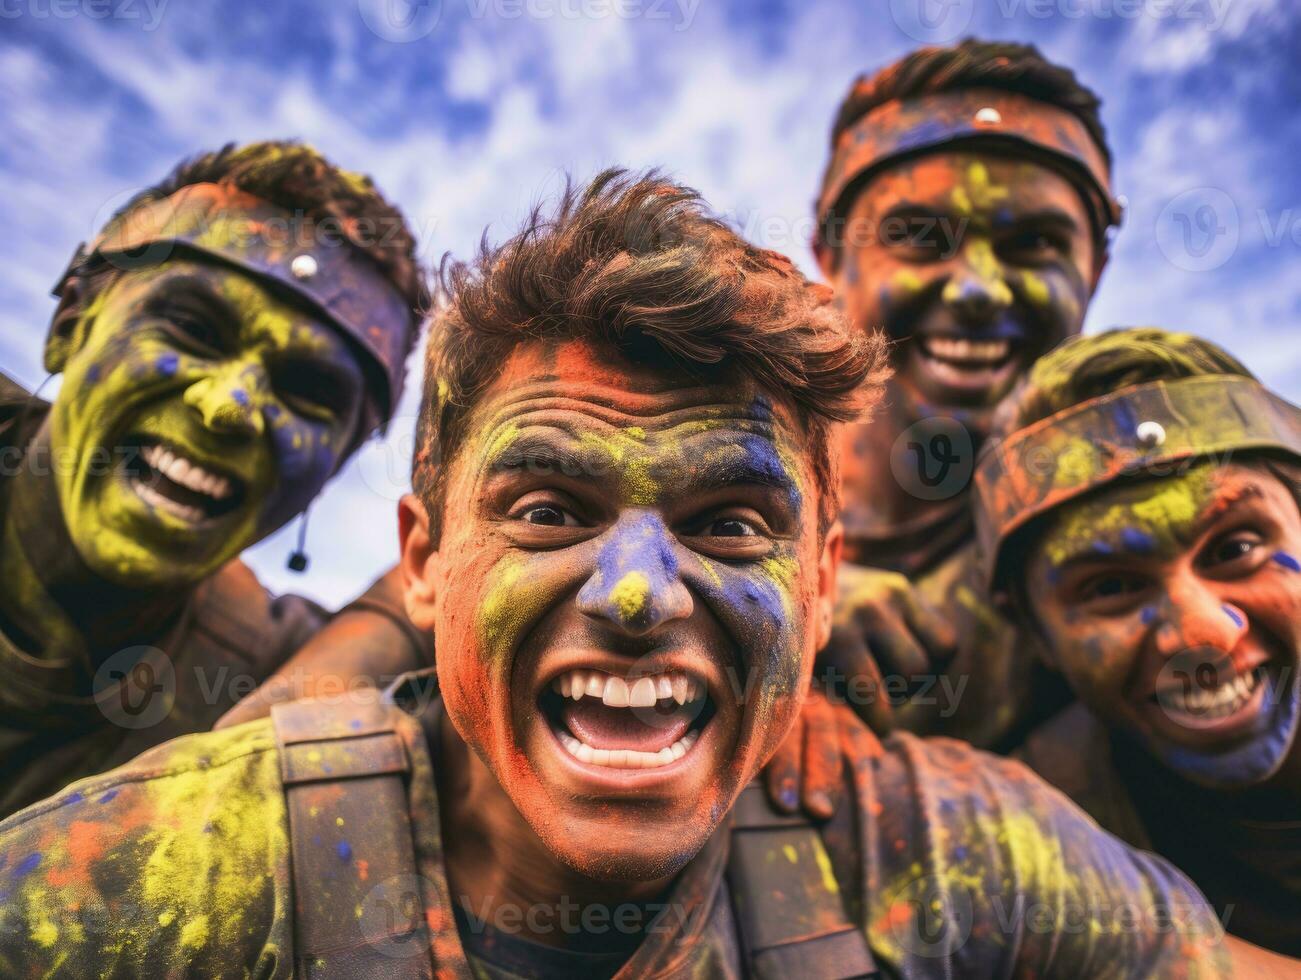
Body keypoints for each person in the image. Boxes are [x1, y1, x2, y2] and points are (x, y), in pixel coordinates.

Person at [2, 171, 1281, 978]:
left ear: (821, 579)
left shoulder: (930, 842)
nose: (636, 593)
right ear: (424, 561)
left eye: (729, 523)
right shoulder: (190, 857)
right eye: (550, 507)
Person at [0, 141, 430, 817]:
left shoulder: (258, 663)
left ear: (333, 468)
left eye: (308, 390)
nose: (230, 406)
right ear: (69, 324)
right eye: (193, 329)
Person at [808, 39, 1121, 749]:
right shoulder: (707, 458)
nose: (977, 288)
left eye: (1035, 242)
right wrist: (783, 600)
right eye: (919, 237)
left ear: (1094, 268)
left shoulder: (1140, 524)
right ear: (830, 257)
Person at [970, 328, 1301, 956]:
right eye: (1112, 586)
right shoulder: (1035, 831)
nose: (1202, 635)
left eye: (1236, 549)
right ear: (1036, 634)